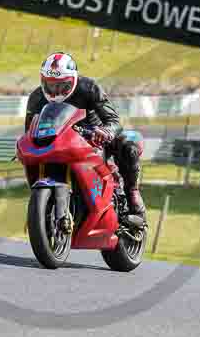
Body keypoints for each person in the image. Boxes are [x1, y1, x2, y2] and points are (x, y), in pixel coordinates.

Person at [24, 52, 146, 219]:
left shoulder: (88, 87)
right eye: (50, 85)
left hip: (94, 138)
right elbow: (29, 130)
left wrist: (107, 130)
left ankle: (132, 192)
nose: (55, 91)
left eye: (61, 85)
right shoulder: (36, 98)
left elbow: (113, 119)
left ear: (73, 80)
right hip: (59, 141)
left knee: (128, 144)